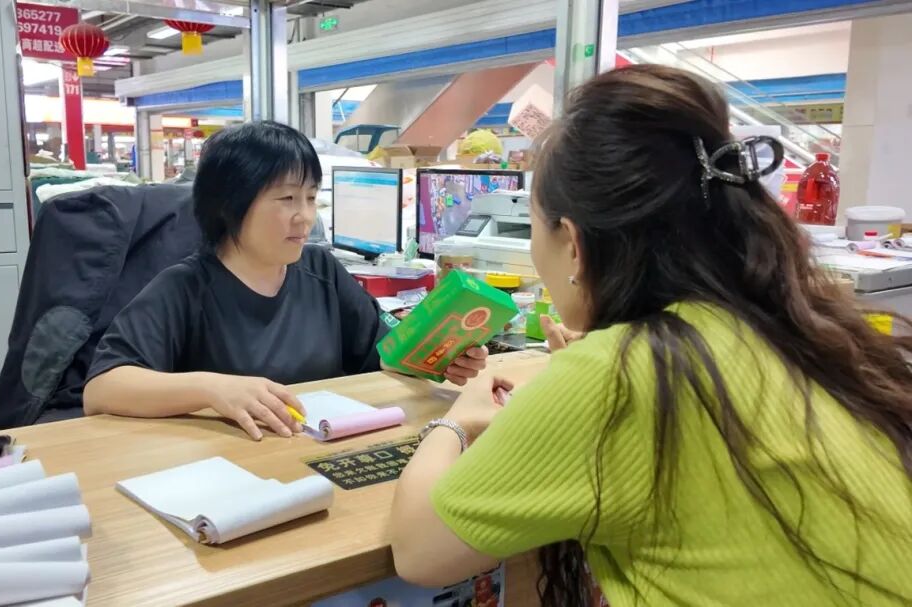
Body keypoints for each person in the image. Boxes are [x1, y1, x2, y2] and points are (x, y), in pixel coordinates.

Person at [389, 64, 912, 606]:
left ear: (572, 243)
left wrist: (456, 421)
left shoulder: (618, 376)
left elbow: (421, 552)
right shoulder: (802, 329)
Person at [83, 121, 488, 440]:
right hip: (232, 468)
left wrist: (441, 354)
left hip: (321, 452)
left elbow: (382, 354)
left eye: (311, 198)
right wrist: (211, 389)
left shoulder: (321, 270)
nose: (305, 217)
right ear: (228, 205)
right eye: (287, 199)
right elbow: (102, 389)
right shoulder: (184, 288)